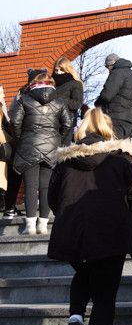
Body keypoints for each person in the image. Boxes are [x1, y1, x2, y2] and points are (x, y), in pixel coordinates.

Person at [47, 108, 132, 325]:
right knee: (104, 299)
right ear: (108, 128)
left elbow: (54, 199)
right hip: (111, 233)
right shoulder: (122, 159)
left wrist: (72, 220)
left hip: (75, 233)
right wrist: (127, 221)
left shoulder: (65, 163)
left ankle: (76, 316)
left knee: (85, 272)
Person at [9, 72, 71, 235]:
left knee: (30, 186)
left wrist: (21, 139)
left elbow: (14, 121)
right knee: (45, 187)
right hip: (51, 147)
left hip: (28, 145)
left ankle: (29, 225)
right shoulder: (60, 101)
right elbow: (68, 123)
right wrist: (58, 139)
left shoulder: (24, 99)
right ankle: (43, 225)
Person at [94, 54, 132, 139]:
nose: (108, 70)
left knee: (111, 148)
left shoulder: (117, 73)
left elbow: (107, 95)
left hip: (115, 118)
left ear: (112, 64)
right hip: (129, 120)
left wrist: (97, 104)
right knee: (122, 148)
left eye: (107, 67)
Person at [52, 56, 84, 145]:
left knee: (63, 151)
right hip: (51, 121)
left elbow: (77, 103)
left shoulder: (76, 84)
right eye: (56, 70)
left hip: (67, 123)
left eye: (61, 70)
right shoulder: (52, 85)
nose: (58, 73)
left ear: (67, 70)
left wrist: (59, 101)